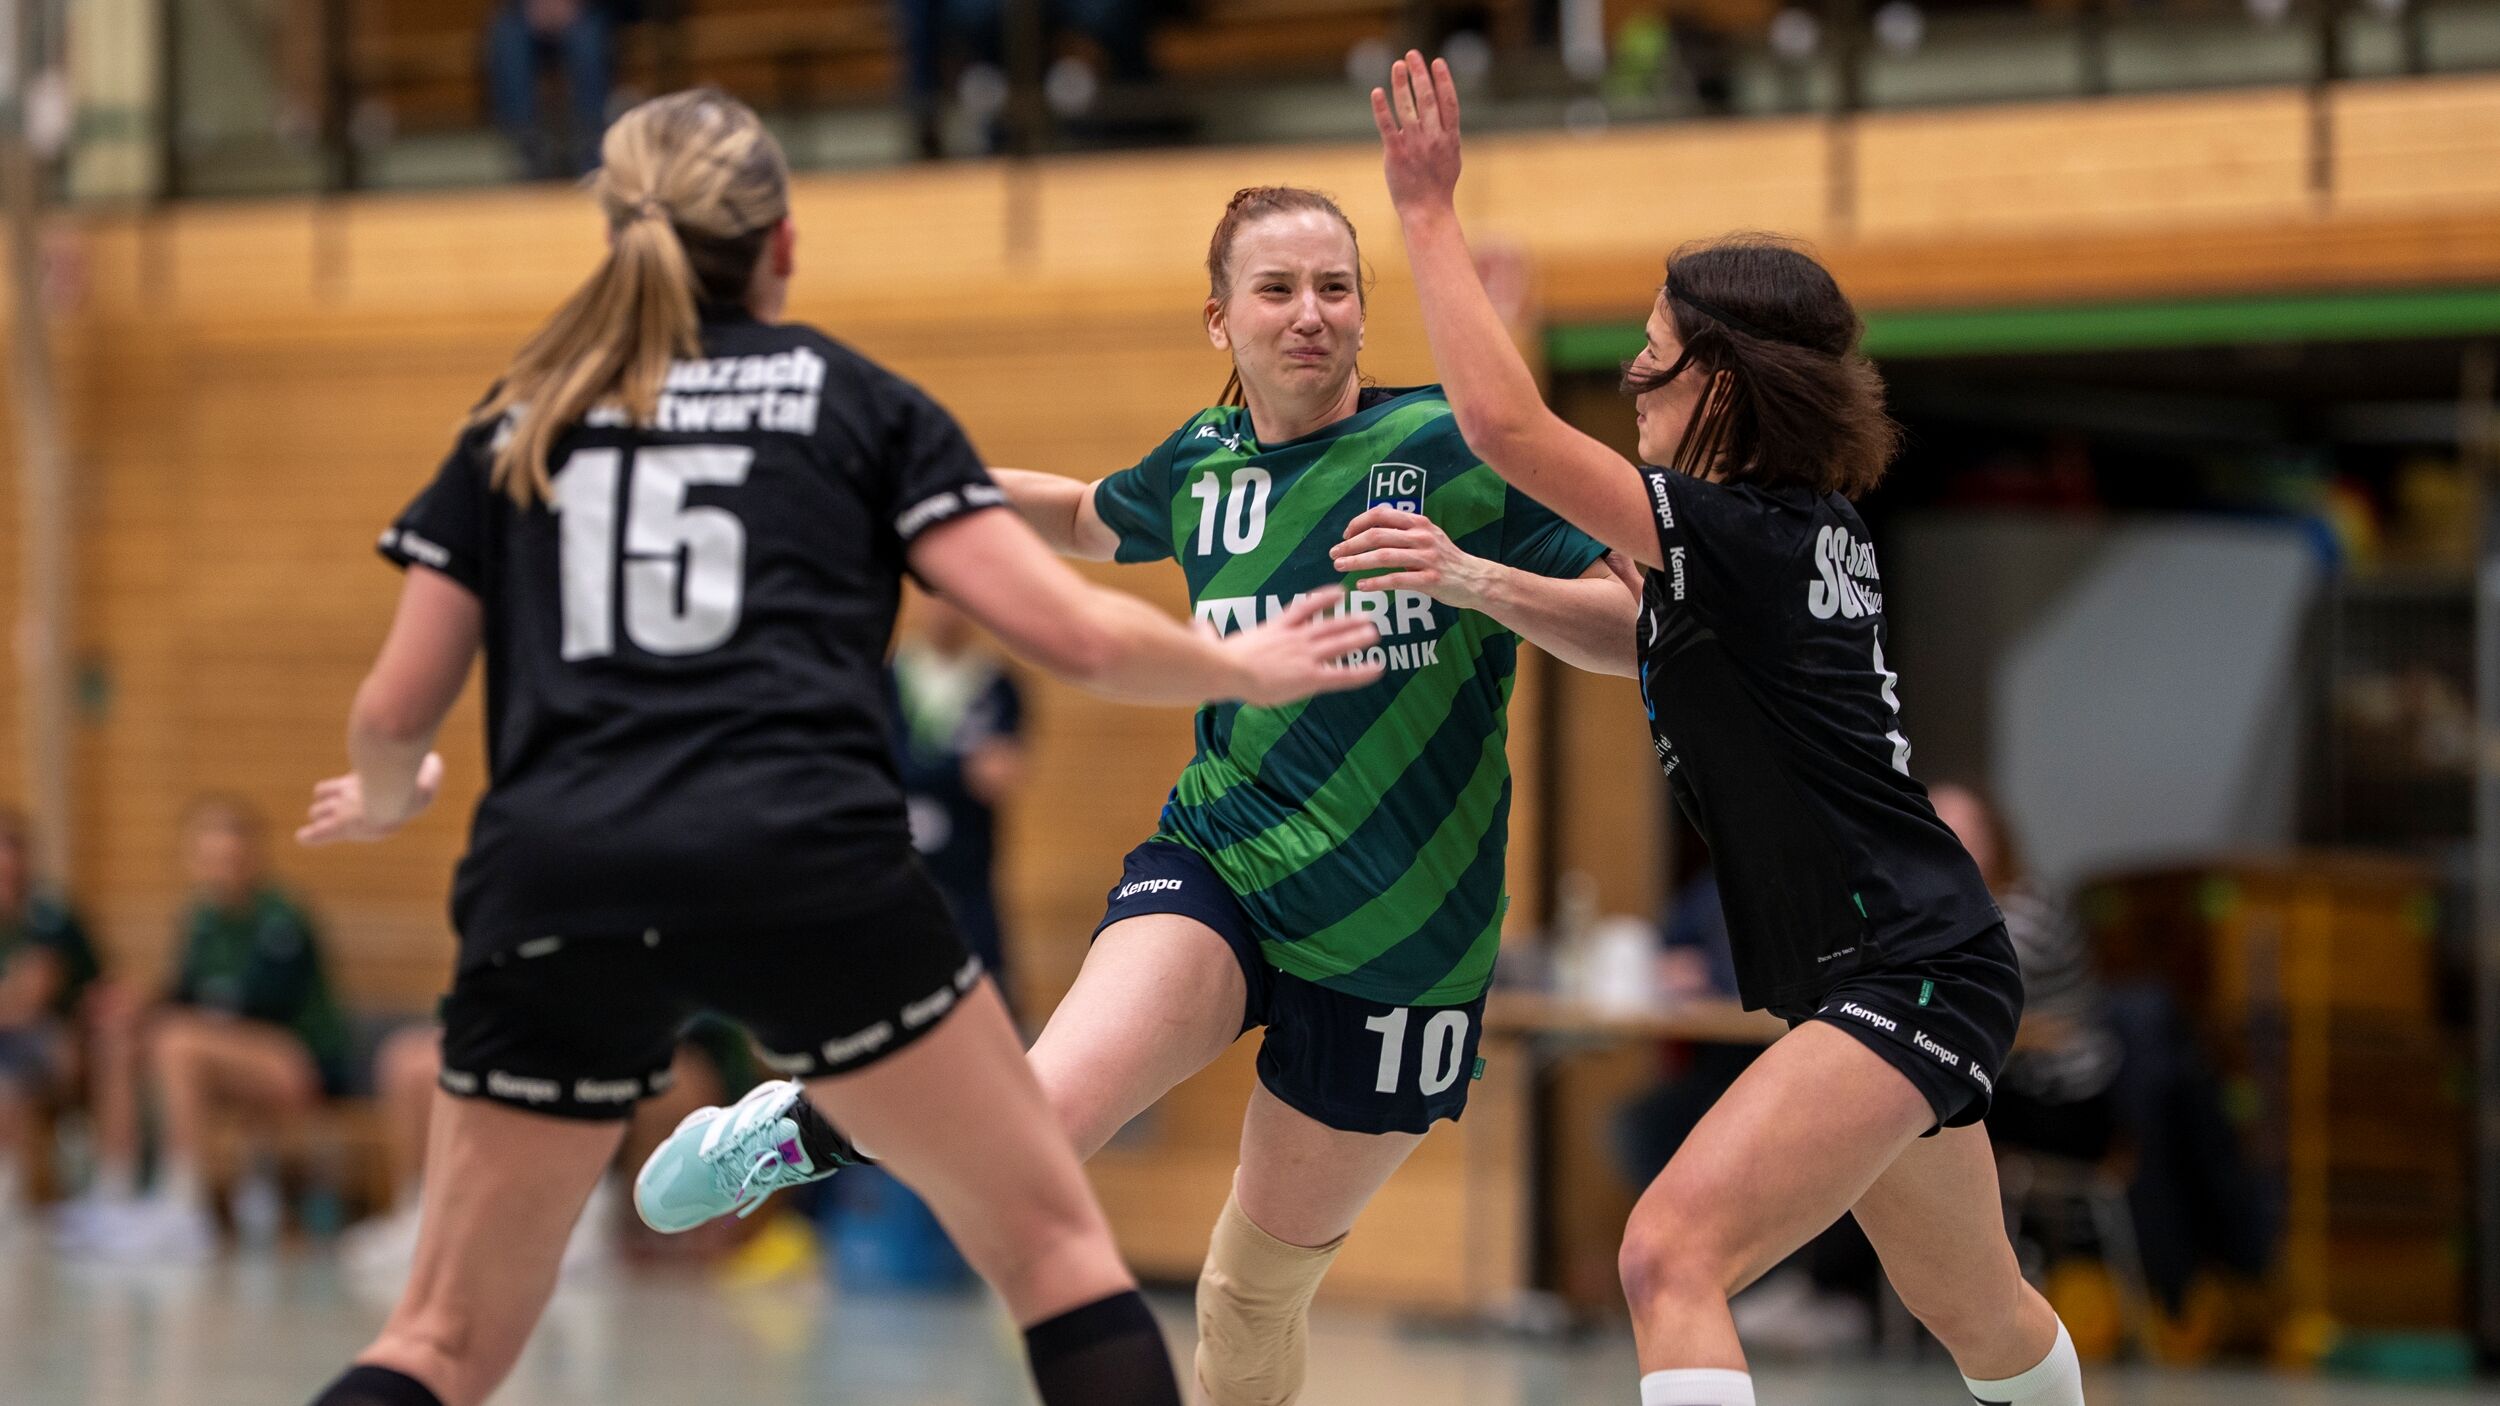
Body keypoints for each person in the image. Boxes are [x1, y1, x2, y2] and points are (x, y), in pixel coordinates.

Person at [287, 87, 1378, 1406]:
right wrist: (1239, 665)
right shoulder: (855, 404)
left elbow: (393, 711)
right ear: (784, 244)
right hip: (802, 862)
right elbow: (1071, 632)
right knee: (1052, 1253)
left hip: (559, 878)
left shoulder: (521, 418)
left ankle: (770, 1136)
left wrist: (392, 793)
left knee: (438, 1344)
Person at [637, 181, 1641, 1406]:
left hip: (1403, 940)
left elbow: (1632, 624)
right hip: (1226, 862)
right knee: (1041, 1120)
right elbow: (1080, 514)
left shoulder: (1451, 448)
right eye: (1276, 288)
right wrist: (905, 487)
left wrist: (1474, 580)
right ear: (1220, 318)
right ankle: (801, 1125)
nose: (1309, 312)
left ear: (1363, 311)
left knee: (1247, 1299)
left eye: (1334, 287)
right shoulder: (1202, 463)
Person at [1373, 54, 2083, 1406]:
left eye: (1654, 347)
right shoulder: (1781, 535)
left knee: (1669, 1253)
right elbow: (1627, 628)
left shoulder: (1741, 534)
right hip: (1906, 959)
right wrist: (1475, 581)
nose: (1633, 372)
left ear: (1724, 378)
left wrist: (1424, 211)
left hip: (1904, 963)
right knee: (1980, 1311)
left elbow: (1504, 427)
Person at [58, 795, 351, 1260]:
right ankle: (115, 1192)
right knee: (120, 1036)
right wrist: (138, 1004)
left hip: (295, 1060)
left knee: (177, 1043)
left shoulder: (281, 920)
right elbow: (187, 991)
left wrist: (171, 1015)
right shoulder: (202, 920)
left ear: (252, 858)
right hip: (223, 1050)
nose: (221, 869)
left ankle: (184, 1202)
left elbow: (258, 1005)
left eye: (231, 858)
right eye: (209, 858)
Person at [888, 590, 1027, 1000]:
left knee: (985, 973)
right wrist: (961, 769)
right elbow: (883, 763)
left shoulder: (995, 682)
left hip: (969, 857)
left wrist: (929, 770)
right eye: (936, 598)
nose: (945, 611)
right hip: (897, 856)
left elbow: (1003, 767)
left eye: (956, 600)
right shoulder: (888, 678)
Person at [0, 807, 103, 1228]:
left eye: (10, 849)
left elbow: (34, 999)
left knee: (12, 1079)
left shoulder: (50, 919)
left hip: (50, 1042)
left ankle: (15, 1192)